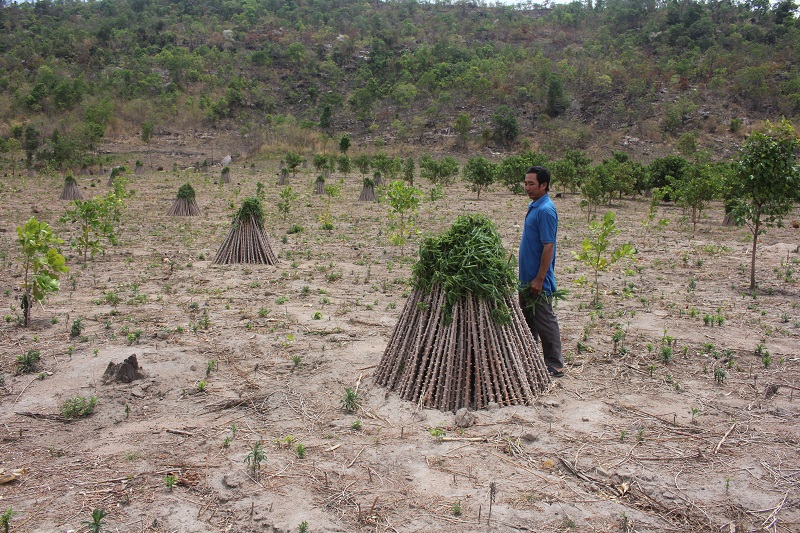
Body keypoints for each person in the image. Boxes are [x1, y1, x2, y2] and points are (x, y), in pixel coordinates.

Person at [519, 166, 565, 377]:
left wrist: (539, 278)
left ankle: (555, 364)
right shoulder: (534, 205)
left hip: (538, 278)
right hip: (526, 277)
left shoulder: (546, 210)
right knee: (527, 320)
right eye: (526, 183)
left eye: (532, 184)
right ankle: (530, 359)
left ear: (544, 185)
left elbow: (549, 246)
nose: (527, 187)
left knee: (545, 320)